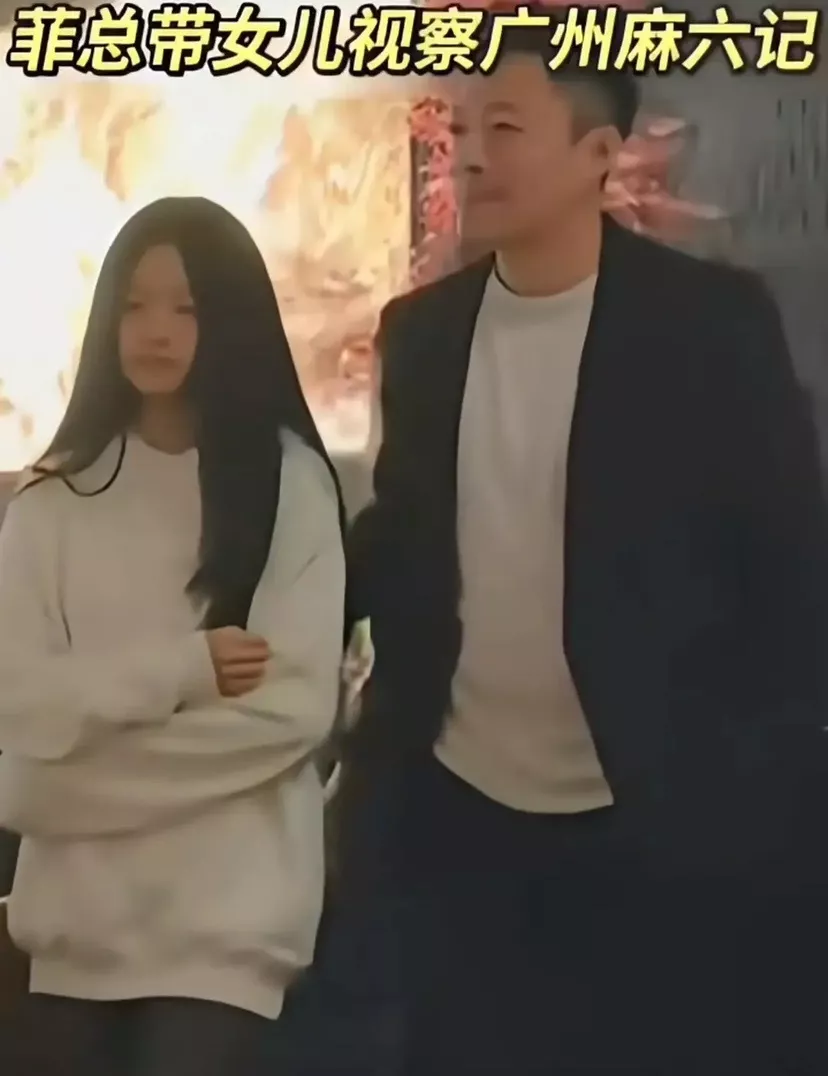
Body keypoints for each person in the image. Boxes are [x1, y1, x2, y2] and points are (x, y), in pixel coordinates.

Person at [329, 18, 828, 1076]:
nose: (469, 154)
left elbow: (788, 568)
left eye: (505, 128)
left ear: (600, 154)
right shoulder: (424, 335)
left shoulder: (709, 327)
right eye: (463, 129)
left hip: (663, 819)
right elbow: (403, 542)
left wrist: (760, 777)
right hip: (462, 817)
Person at [0, 196, 346, 1076]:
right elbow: (20, 702)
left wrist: (56, 792)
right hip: (73, 934)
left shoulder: (289, 487)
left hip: (227, 938)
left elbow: (292, 715)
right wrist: (182, 672)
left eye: (187, 307)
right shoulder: (51, 503)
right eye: (136, 304)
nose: (156, 330)